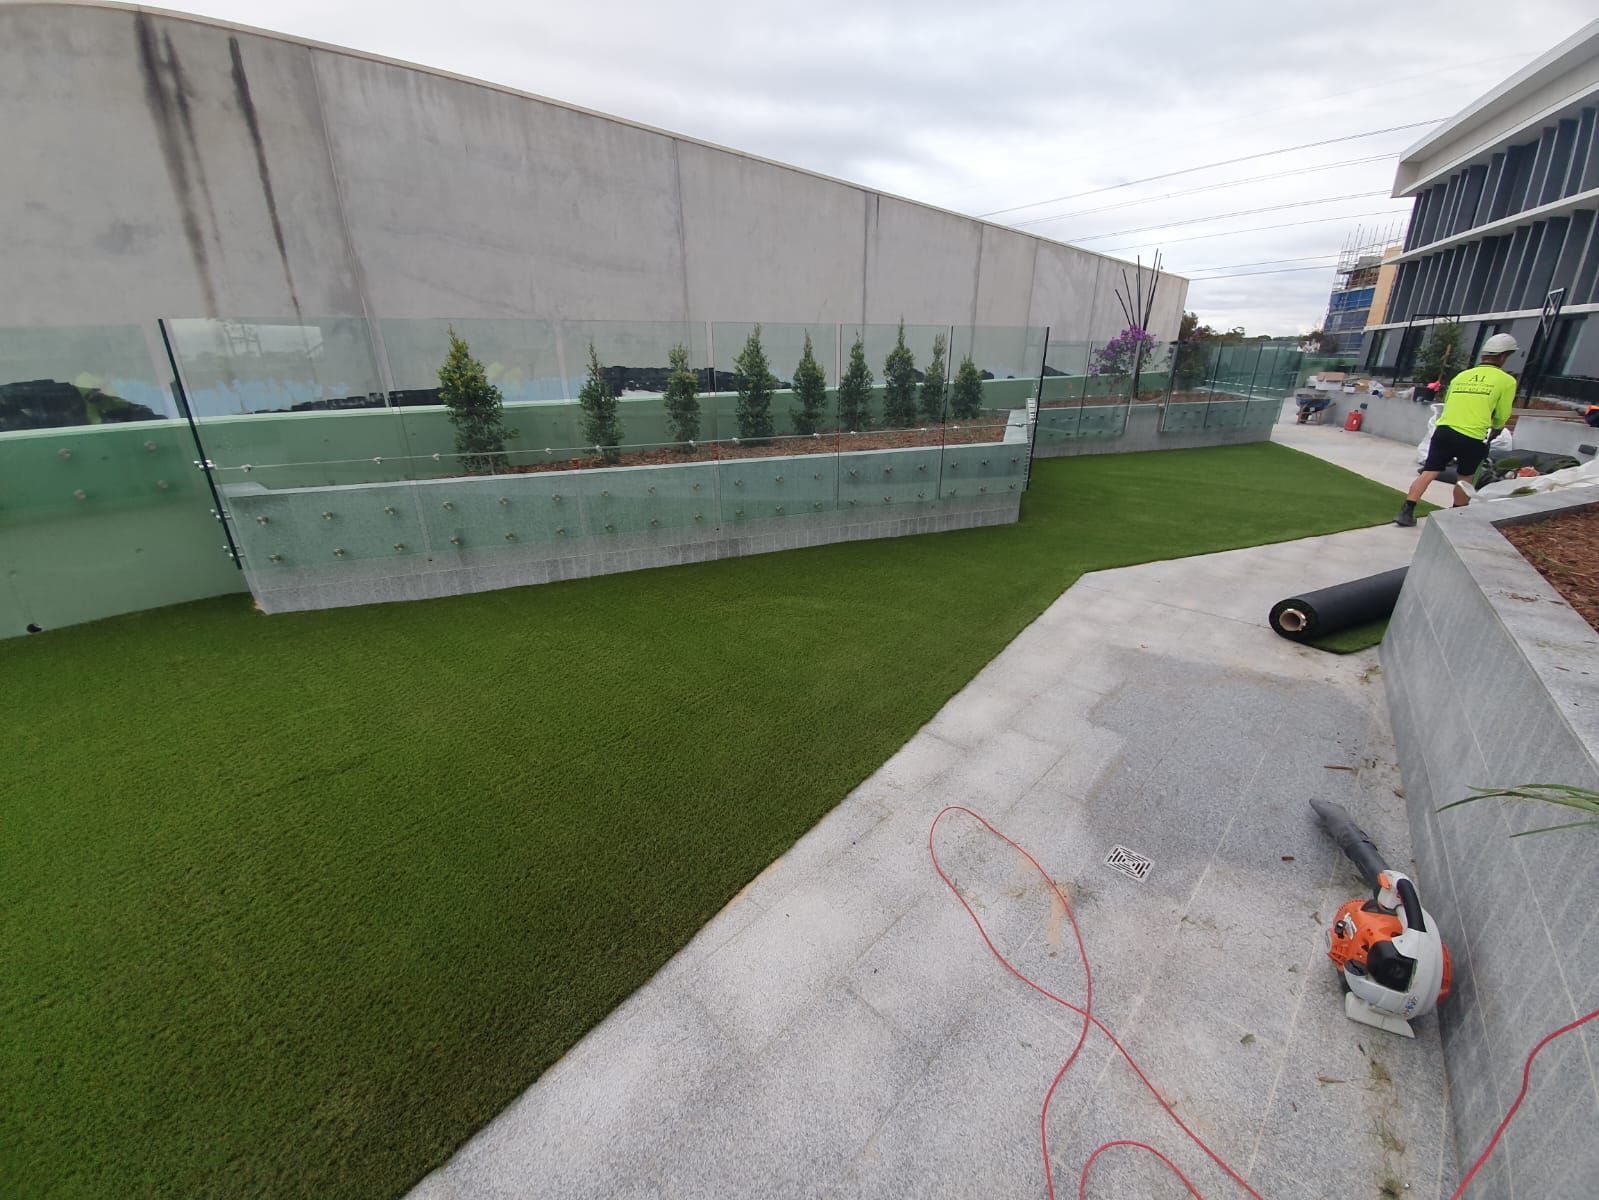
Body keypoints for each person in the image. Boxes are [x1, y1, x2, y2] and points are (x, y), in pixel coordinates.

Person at [1395, 334, 1519, 527]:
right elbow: (1502, 413)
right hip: (1471, 436)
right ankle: (1456, 517)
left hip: (1444, 431)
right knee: (1465, 478)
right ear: (1503, 356)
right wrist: (1496, 428)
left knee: (1429, 471)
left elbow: (1450, 402)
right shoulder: (1506, 381)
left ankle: (1406, 510)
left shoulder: (1461, 376)